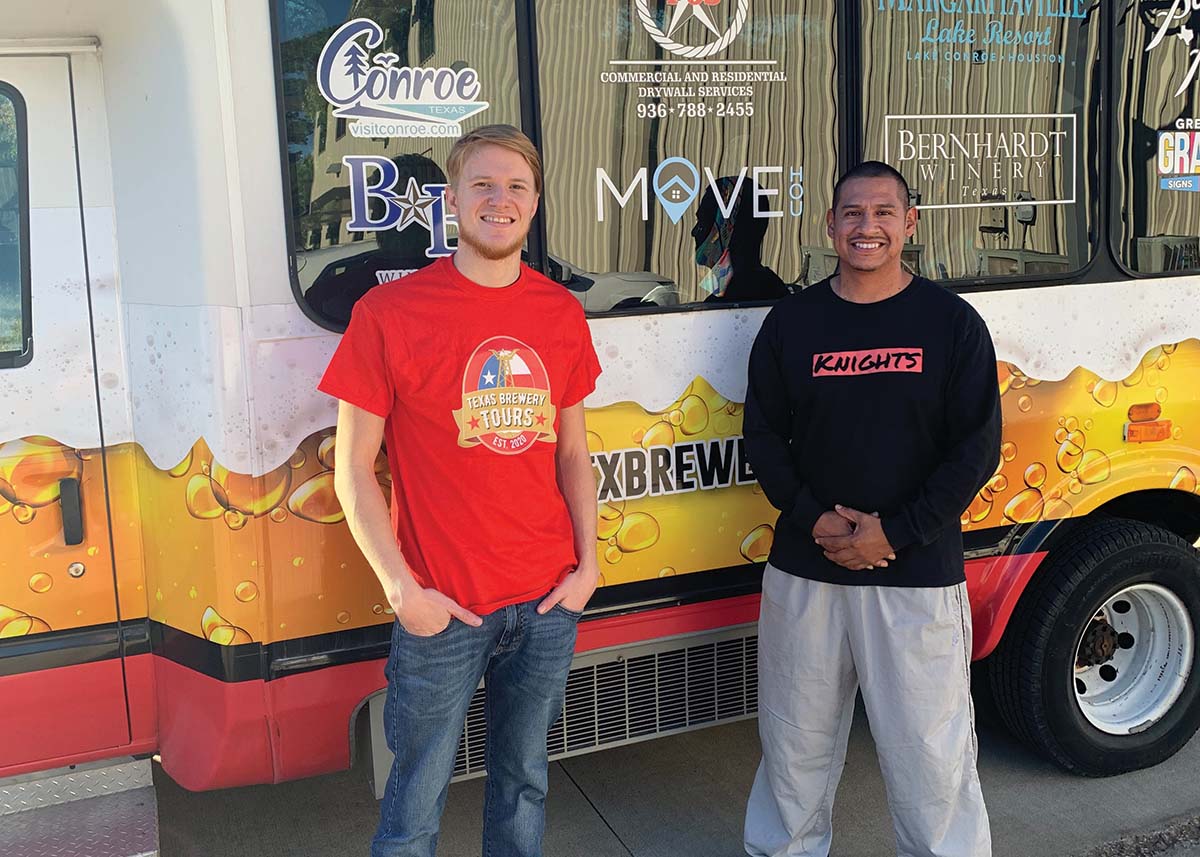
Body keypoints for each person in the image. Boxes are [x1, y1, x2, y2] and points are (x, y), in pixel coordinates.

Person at [318, 124, 601, 857]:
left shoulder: (560, 313)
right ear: (452, 199)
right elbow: (352, 469)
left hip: (545, 601)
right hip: (442, 608)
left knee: (524, 784)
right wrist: (401, 590)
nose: (499, 200)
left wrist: (589, 565)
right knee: (414, 803)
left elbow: (572, 450)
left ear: (535, 204)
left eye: (516, 186)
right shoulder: (389, 314)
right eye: (482, 184)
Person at [742, 161, 1000, 857]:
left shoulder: (952, 324)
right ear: (830, 225)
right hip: (807, 566)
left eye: (884, 212)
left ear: (910, 224)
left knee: (929, 754)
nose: (868, 227)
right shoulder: (792, 322)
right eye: (852, 213)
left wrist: (894, 530)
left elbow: (975, 451)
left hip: (914, 575)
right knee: (793, 746)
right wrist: (813, 518)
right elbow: (763, 437)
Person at [691, 176, 791, 303]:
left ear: (727, 229)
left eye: (702, 223)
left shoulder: (724, 305)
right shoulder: (773, 291)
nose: (694, 232)